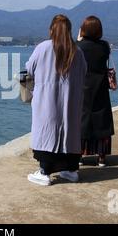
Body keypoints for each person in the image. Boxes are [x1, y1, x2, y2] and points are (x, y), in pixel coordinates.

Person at [26, 15, 87, 186]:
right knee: (70, 132)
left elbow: (29, 69)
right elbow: (84, 72)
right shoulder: (77, 51)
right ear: (69, 30)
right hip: (71, 100)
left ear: (51, 29)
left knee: (46, 130)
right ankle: (71, 170)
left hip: (47, 99)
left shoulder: (43, 47)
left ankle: (45, 171)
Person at [77, 16, 115, 167]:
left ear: (83, 30)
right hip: (100, 87)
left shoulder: (78, 46)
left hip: (83, 87)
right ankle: (101, 157)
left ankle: (79, 155)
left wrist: (79, 39)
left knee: (81, 121)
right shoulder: (104, 46)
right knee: (102, 121)